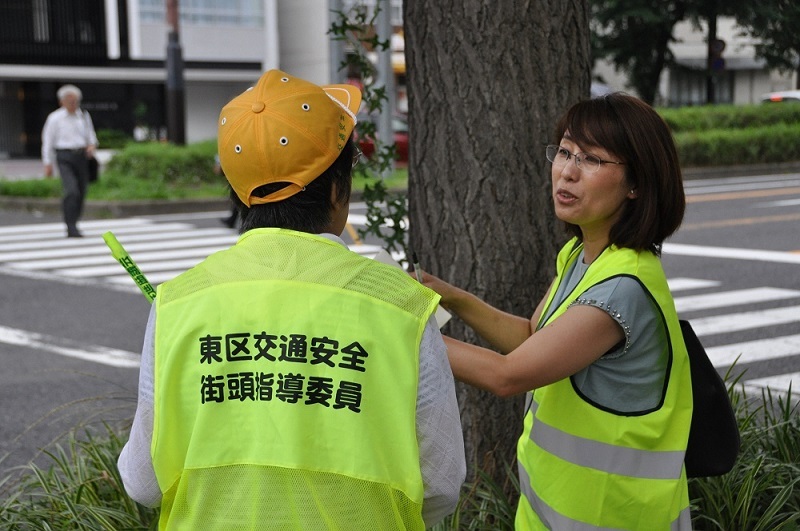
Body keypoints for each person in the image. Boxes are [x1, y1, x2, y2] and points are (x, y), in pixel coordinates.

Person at [117, 69, 465, 530]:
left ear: (242, 194)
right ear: (339, 188)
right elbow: (441, 483)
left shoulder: (179, 303)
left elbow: (143, 481)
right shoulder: (401, 306)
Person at [418, 93, 692, 530]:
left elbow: (508, 375)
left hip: (611, 516)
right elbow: (533, 338)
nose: (567, 171)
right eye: (564, 151)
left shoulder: (623, 288)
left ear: (636, 183)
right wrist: (450, 297)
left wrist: (401, 332)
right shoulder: (581, 255)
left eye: (593, 160)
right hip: (552, 508)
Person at [41, 84, 98, 238]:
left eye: (76, 101)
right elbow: (47, 141)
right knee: (71, 190)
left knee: (81, 191)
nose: (74, 104)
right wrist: (48, 163)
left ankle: (75, 221)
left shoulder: (84, 115)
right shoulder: (54, 118)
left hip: (82, 156)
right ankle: (70, 225)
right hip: (64, 156)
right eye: (70, 101)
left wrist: (91, 146)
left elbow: (91, 136)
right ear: (62, 102)